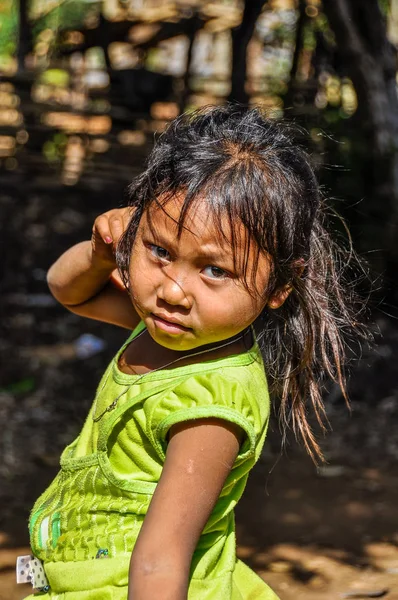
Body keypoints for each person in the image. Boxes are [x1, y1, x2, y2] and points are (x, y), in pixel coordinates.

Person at [23, 105, 365, 600]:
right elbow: (68, 290)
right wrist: (100, 254)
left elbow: (162, 559)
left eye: (215, 271)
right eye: (160, 251)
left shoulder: (210, 405)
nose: (174, 290)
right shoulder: (171, 327)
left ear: (279, 285)